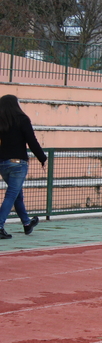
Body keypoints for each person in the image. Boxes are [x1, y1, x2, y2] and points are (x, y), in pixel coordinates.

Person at [0, 94, 48, 239]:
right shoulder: (22, 119)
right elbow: (31, 141)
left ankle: (27, 224)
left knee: (17, 194)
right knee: (12, 194)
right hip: (18, 163)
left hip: (2, 163)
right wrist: (42, 158)